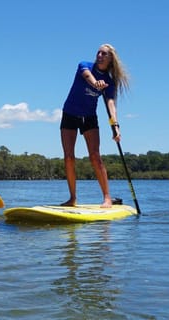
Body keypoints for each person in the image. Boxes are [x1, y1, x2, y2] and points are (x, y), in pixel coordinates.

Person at [59, 43, 130, 208]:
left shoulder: (110, 82)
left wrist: (116, 126)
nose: (99, 55)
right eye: (98, 52)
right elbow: (88, 78)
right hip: (69, 113)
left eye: (104, 54)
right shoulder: (84, 65)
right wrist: (96, 83)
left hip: (89, 117)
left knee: (95, 157)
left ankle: (107, 198)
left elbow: (111, 103)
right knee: (69, 157)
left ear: (111, 59)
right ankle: (72, 198)